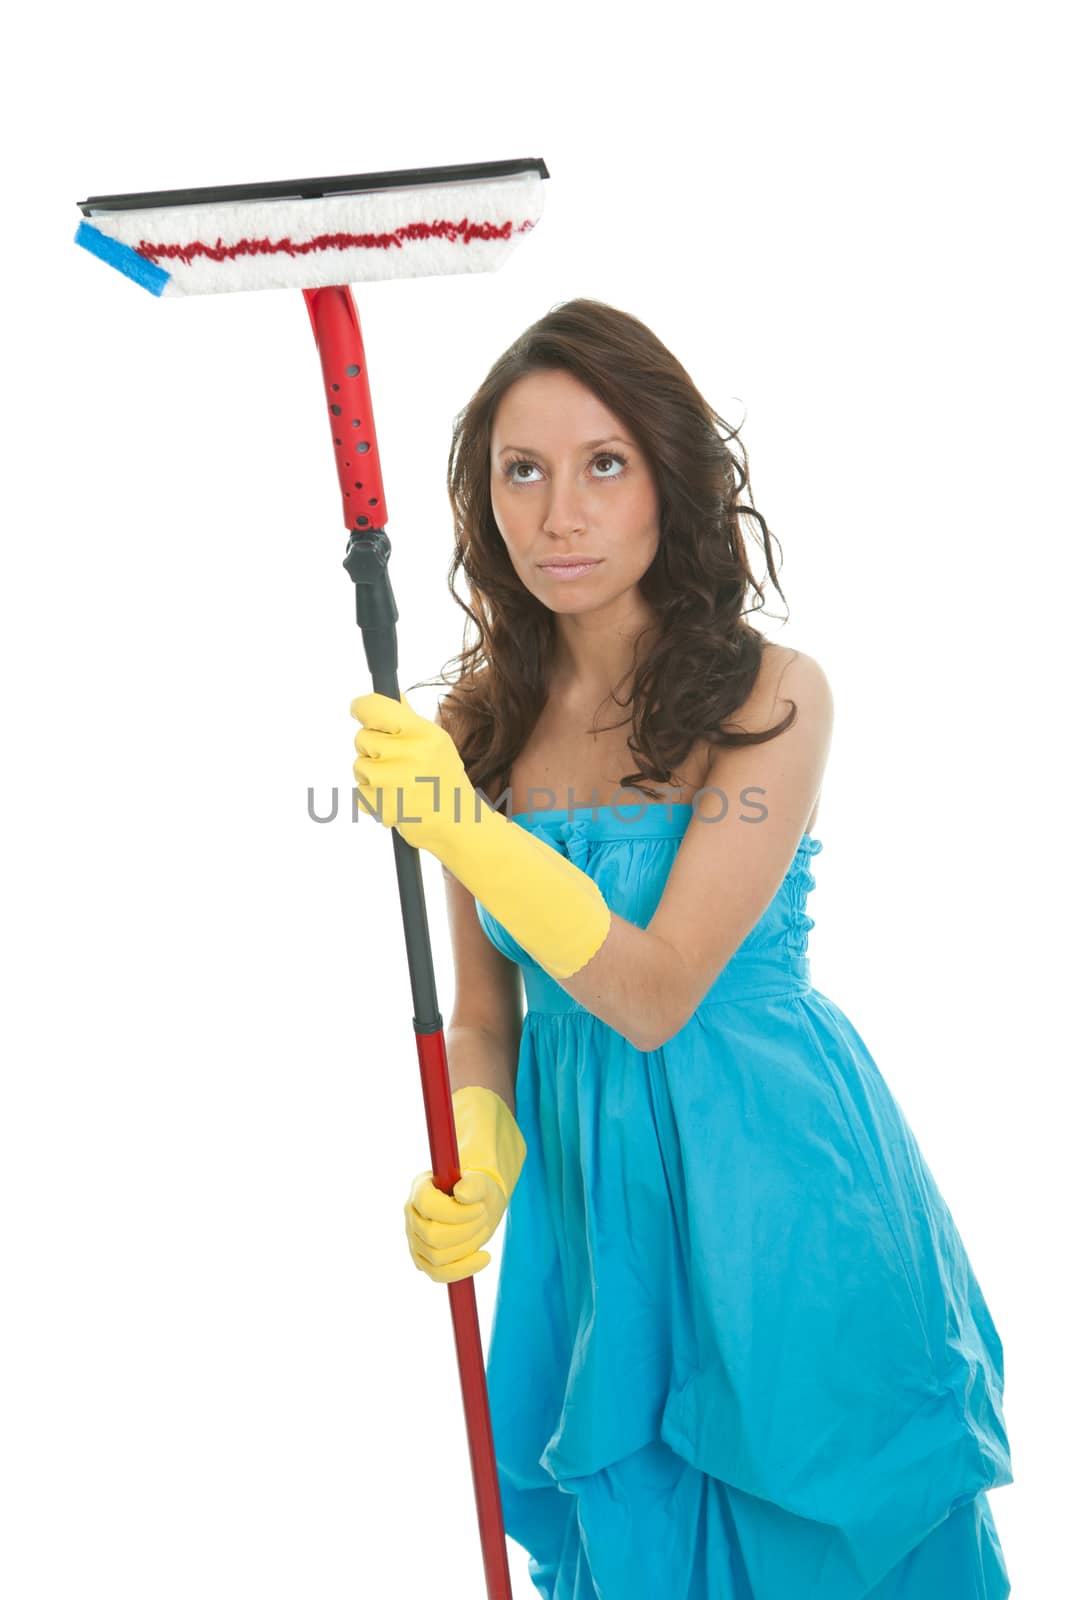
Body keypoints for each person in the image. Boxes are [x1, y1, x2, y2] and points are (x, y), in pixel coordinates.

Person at [350, 299, 1013, 1598]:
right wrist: (480, 1145)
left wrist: (459, 828)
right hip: (597, 1219)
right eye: (521, 472)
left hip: (780, 1193)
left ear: (671, 478)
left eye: (604, 464)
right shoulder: (479, 722)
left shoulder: (772, 697)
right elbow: (488, 1014)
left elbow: (651, 995)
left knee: (817, 1532)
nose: (561, 516)